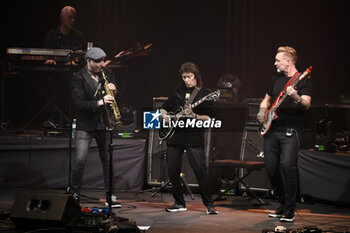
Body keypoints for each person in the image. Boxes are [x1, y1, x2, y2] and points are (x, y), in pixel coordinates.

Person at [257, 46, 312, 222]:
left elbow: (306, 104)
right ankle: (282, 203)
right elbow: (266, 99)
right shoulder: (275, 80)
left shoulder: (303, 80)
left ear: (288, 62)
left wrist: (295, 96)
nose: (274, 63)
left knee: (288, 167)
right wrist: (262, 111)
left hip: (290, 131)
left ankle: (290, 209)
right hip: (272, 131)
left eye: (277, 60)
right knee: (271, 169)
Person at [160, 62, 218, 215]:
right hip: (175, 136)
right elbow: (164, 107)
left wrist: (195, 115)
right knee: (172, 169)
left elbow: (209, 118)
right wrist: (164, 115)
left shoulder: (205, 94)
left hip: (193, 137)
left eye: (189, 77)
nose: (186, 80)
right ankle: (179, 202)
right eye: (184, 77)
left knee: (200, 170)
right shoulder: (177, 92)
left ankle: (209, 204)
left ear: (196, 77)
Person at [71, 47, 121, 208]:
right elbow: (78, 104)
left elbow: (113, 97)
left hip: (104, 123)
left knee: (107, 161)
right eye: (98, 61)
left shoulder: (107, 74)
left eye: (102, 60)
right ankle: (74, 195)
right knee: (80, 160)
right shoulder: (78, 77)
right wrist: (99, 102)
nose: (102, 64)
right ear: (88, 61)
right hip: (85, 125)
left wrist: (115, 91)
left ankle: (110, 195)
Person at [43, 6, 86, 128]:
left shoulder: (79, 36)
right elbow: (46, 53)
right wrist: (49, 59)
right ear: (62, 18)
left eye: (74, 18)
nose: (72, 20)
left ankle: (73, 118)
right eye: (70, 17)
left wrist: (76, 60)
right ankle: (52, 117)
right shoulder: (51, 35)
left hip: (72, 73)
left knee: (77, 86)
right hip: (55, 72)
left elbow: (83, 56)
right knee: (52, 84)